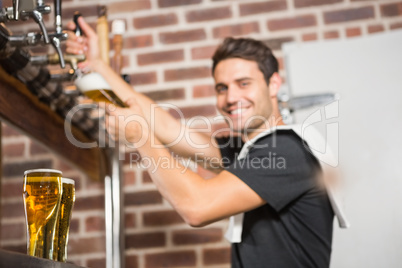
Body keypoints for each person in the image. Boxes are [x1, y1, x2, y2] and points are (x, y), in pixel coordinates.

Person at [66, 17, 335, 267]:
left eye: (243, 83)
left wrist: (140, 137)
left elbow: (197, 207)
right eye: (222, 88)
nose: (230, 97)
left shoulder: (288, 150)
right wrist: (99, 65)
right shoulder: (248, 152)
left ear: (273, 84)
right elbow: (167, 127)